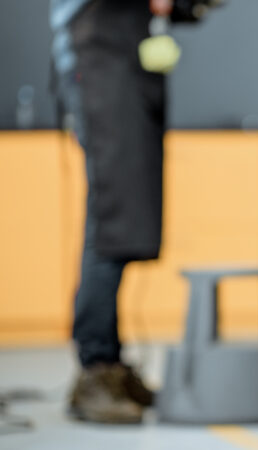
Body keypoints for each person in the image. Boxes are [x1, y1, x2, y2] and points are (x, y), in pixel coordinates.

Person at [50, 0, 174, 423]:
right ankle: (95, 368)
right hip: (99, 58)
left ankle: (111, 364)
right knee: (112, 214)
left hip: (124, 57)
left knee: (125, 210)